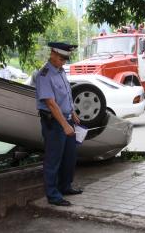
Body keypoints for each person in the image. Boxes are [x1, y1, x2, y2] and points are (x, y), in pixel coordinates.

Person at [35, 41, 83, 207]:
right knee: (53, 159)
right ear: (53, 54)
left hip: (67, 119)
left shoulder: (61, 71)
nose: (63, 62)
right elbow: (51, 104)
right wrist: (64, 125)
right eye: (61, 58)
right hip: (54, 123)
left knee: (69, 156)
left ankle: (65, 186)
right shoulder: (44, 74)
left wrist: (73, 113)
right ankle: (53, 195)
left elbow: (66, 95)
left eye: (65, 59)